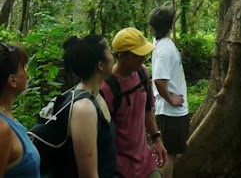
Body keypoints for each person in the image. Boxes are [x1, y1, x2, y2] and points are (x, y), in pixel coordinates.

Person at [100, 28, 167, 178]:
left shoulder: (142, 73)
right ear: (122, 56)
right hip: (121, 168)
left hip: (145, 161)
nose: (143, 58)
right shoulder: (107, 88)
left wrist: (157, 139)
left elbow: (147, 110)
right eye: (138, 55)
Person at [57, 35, 117, 178]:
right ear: (100, 65)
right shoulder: (84, 109)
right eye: (109, 51)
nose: (113, 55)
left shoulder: (97, 95)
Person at [148, 5, 189, 178]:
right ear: (170, 26)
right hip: (171, 113)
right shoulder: (164, 50)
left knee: (170, 154)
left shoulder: (162, 45)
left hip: (174, 113)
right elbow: (158, 80)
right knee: (169, 156)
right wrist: (171, 99)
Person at [0, 42, 41, 178]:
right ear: (12, 80)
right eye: (23, 66)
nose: (27, 69)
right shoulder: (2, 128)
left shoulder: (8, 118)